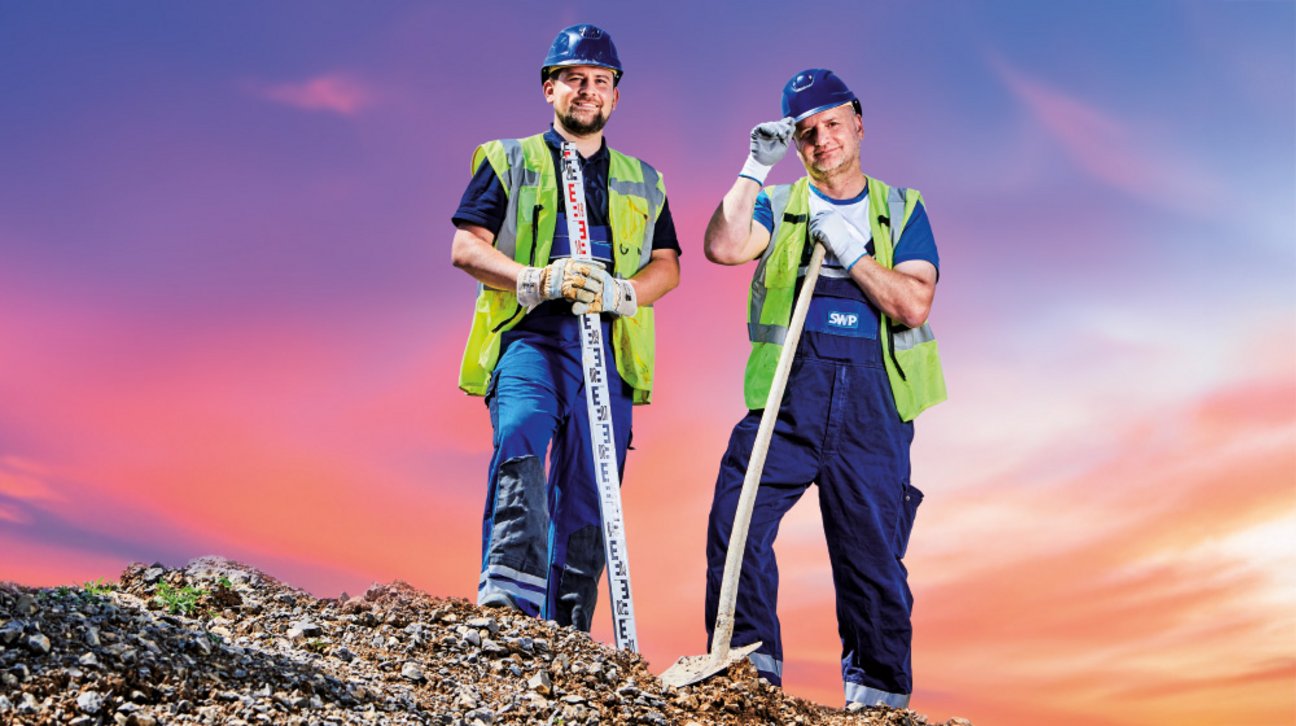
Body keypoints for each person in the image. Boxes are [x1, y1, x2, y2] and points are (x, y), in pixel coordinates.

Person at [700, 68, 946, 707]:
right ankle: (746, 677)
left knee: (872, 561)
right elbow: (724, 248)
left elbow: (913, 304)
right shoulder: (778, 204)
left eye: (833, 124)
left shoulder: (902, 208)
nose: (822, 140)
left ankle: (878, 702)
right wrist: (753, 168)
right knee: (736, 520)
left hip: (875, 410)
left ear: (858, 123)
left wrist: (852, 253)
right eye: (806, 132)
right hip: (787, 401)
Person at [449, 24, 680, 633]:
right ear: (550, 88)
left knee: (593, 483)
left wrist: (623, 292)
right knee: (522, 433)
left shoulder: (643, 178)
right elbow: (466, 247)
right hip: (533, 333)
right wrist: (535, 279)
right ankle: (508, 603)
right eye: (575, 79)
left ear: (616, 96)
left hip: (610, 344)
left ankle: (568, 629)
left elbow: (667, 265)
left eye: (601, 81)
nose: (588, 91)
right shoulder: (510, 158)